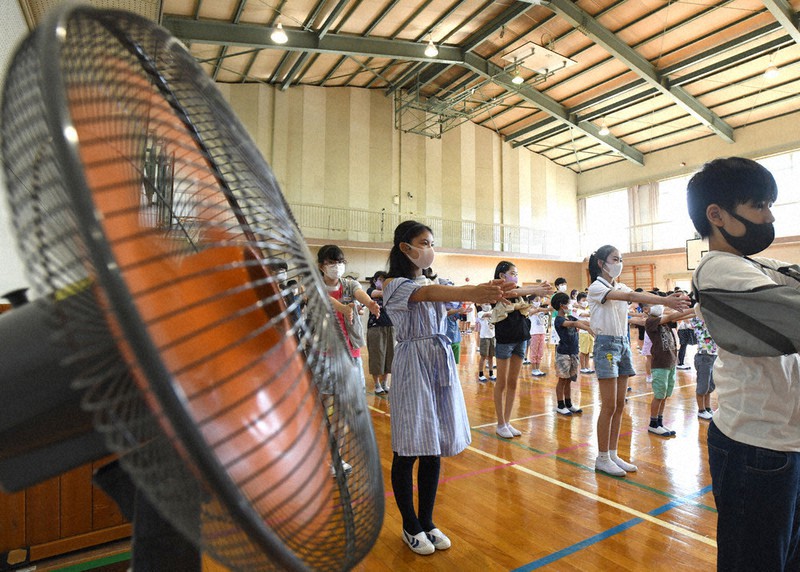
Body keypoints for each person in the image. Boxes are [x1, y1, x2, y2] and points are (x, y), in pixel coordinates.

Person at [687, 156, 800, 571]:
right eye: (759, 206)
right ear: (716, 214)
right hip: (757, 447)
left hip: (786, 439)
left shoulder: (760, 265)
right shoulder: (718, 270)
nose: (769, 217)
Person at [382, 220, 514, 556]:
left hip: (438, 361)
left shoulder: (433, 281)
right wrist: (469, 292)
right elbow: (426, 294)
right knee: (407, 447)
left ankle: (427, 520)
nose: (430, 247)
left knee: (433, 445)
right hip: (413, 362)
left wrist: (494, 291)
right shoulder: (395, 284)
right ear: (405, 248)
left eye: (432, 242)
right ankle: (410, 525)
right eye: (424, 242)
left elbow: (442, 298)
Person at [588, 245, 690, 477]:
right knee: (609, 405)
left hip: (622, 343)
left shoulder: (620, 285)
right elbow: (632, 297)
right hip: (606, 345)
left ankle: (612, 454)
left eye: (621, 258)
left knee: (620, 404)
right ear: (602, 263)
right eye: (616, 259)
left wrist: (665, 300)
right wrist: (666, 301)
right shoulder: (596, 287)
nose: (620, 262)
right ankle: (602, 457)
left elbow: (637, 298)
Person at [491, 261, 553, 438]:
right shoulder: (500, 291)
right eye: (513, 273)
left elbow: (520, 294)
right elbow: (512, 292)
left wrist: (538, 290)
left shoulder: (520, 295)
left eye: (517, 273)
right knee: (501, 382)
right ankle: (500, 422)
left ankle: (507, 422)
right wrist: (536, 288)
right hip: (505, 340)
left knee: (513, 382)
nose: (516, 276)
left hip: (521, 339)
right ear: (502, 276)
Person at [317, 245, 380, 390]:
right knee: (324, 394)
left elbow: (358, 292)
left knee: (353, 394)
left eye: (340, 262)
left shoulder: (350, 284)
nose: (337, 266)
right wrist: (342, 308)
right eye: (331, 263)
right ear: (321, 266)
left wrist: (370, 303)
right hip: (325, 350)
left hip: (350, 349)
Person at [641, 301, 695, 436]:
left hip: (670, 363)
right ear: (647, 309)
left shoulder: (663, 322)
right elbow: (671, 317)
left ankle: (659, 422)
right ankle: (653, 424)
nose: (660, 306)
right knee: (659, 395)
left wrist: (696, 311)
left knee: (664, 395)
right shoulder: (651, 321)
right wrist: (696, 308)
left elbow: (676, 317)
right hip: (660, 364)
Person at [551, 292, 593, 415]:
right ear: (561, 305)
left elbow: (581, 322)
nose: (570, 305)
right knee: (562, 380)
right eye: (568, 303)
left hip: (573, 352)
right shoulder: (559, 320)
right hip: (564, 353)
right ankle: (560, 404)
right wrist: (588, 329)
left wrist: (595, 325)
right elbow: (574, 324)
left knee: (569, 379)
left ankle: (568, 404)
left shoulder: (570, 317)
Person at [366, 271, 394, 395]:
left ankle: (384, 383)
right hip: (375, 327)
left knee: (389, 356)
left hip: (391, 326)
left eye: (384, 279)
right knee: (377, 356)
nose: (382, 282)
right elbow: (378, 293)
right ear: (375, 280)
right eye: (380, 279)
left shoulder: (390, 293)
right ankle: (377, 383)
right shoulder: (370, 291)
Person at [689, 311, 716, 420]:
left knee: (710, 385)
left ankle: (708, 407)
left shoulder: (714, 324)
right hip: (703, 357)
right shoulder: (698, 323)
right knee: (703, 385)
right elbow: (694, 317)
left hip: (714, 356)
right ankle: (701, 410)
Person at [526, 295, 549, 376]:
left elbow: (550, 308)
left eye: (540, 300)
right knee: (534, 351)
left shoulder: (541, 310)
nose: (539, 302)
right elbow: (532, 312)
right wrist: (539, 309)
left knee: (540, 352)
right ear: (532, 301)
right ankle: (534, 369)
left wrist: (548, 297)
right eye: (537, 300)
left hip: (542, 332)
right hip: (534, 333)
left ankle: (538, 368)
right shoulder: (530, 309)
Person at [575, 292, 595, 374]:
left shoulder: (588, 309)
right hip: (583, 333)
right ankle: (582, 367)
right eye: (583, 300)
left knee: (588, 352)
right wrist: (591, 314)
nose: (585, 302)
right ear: (579, 302)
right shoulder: (578, 310)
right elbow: (583, 316)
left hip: (590, 333)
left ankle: (587, 366)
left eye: (586, 300)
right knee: (583, 351)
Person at [477, 304, 496, 382]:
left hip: (492, 336)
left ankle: (491, 373)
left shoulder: (493, 311)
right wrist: (496, 312)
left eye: (488, 303)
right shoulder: (480, 313)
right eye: (485, 304)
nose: (487, 305)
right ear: (481, 305)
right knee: (483, 356)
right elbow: (488, 314)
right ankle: (481, 374)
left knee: (491, 356)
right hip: (484, 337)